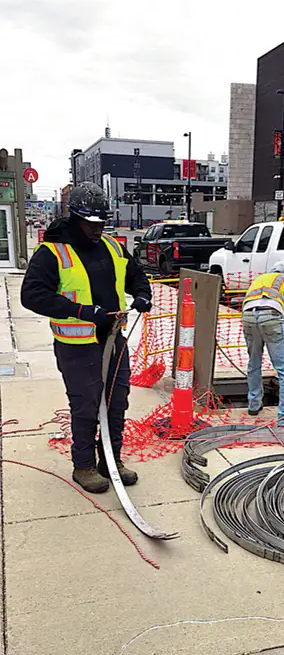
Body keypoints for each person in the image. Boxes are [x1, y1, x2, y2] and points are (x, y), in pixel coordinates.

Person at [21, 182, 152, 494]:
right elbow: (32, 294)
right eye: (90, 224)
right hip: (77, 345)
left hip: (113, 340)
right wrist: (80, 311)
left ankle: (111, 460)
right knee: (86, 406)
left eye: (101, 223)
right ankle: (84, 466)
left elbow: (136, 276)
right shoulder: (52, 252)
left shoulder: (113, 247)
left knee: (116, 401)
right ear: (75, 219)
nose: (97, 229)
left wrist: (143, 295)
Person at [242, 262, 284, 425]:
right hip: (272, 317)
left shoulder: (260, 279)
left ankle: (254, 404)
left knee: (253, 363)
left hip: (248, 317)